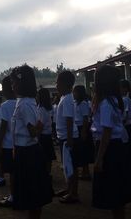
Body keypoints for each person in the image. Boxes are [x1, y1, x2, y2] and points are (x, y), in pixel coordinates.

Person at [91, 64, 131, 219]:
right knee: (116, 193)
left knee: (114, 193)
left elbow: (106, 132)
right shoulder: (111, 101)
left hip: (110, 149)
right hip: (115, 147)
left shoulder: (105, 104)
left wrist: (99, 159)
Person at [9, 65, 52, 219]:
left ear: (22, 83)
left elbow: (32, 131)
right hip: (26, 150)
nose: (12, 86)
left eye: (14, 83)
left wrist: (40, 126)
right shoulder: (27, 101)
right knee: (32, 195)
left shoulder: (25, 104)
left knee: (32, 196)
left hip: (28, 153)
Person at [55, 70, 80, 203]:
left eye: (58, 82)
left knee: (71, 166)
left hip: (68, 137)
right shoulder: (64, 98)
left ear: (64, 84)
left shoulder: (68, 99)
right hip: (64, 137)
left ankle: (73, 193)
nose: (56, 84)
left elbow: (69, 120)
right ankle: (68, 188)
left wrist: (69, 138)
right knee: (67, 165)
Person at [0, 76, 17, 207]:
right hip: (20, 144)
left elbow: (3, 128)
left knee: (12, 173)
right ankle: (19, 195)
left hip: (8, 144)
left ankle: (13, 197)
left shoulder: (5, 106)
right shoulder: (20, 102)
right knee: (18, 172)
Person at [73, 85, 94, 180]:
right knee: (81, 151)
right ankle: (84, 171)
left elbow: (86, 118)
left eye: (75, 92)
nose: (74, 94)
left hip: (82, 127)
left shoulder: (83, 104)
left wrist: (84, 131)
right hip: (77, 128)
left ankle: (86, 172)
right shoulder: (75, 103)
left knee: (84, 150)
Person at [37, 88, 56, 175]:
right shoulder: (49, 107)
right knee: (48, 156)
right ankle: (48, 172)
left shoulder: (41, 109)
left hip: (43, 135)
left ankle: (45, 173)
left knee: (43, 156)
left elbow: (40, 125)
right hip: (47, 134)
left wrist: (36, 136)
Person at [120, 80, 131, 172]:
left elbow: (125, 115)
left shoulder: (124, 99)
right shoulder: (126, 99)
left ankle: (130, 170)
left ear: (125, 89)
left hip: (127, 127)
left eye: (120, 87)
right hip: (128, 126)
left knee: (127, 149)